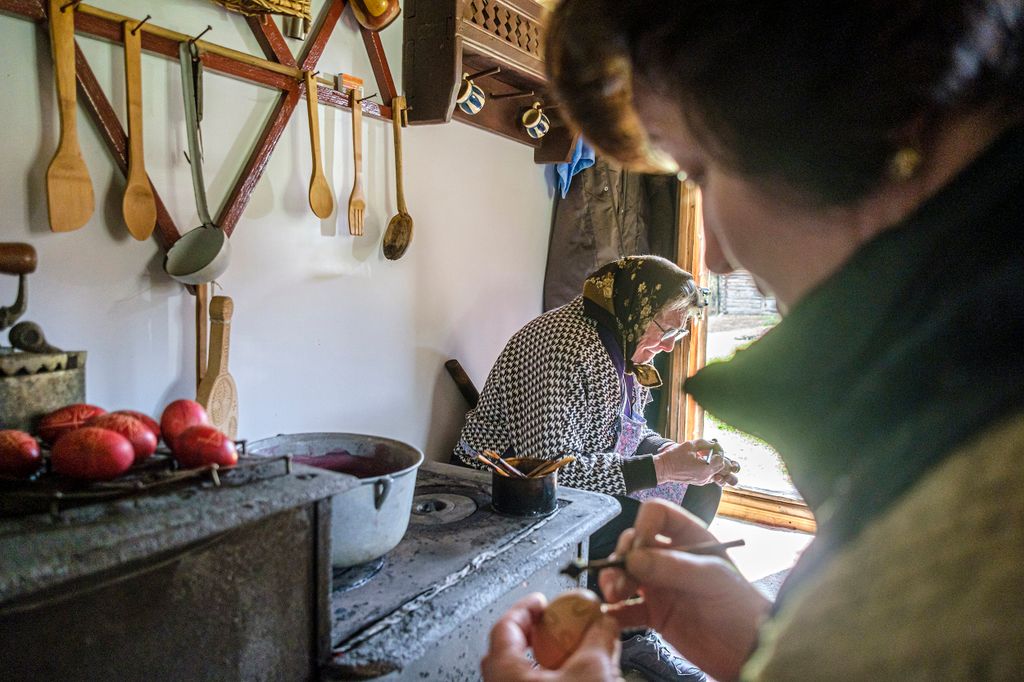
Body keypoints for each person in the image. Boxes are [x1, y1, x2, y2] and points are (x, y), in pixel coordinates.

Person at [482, 1, 1024, 680]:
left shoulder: (980, 502)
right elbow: (541, 468)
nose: (713, 253)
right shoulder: (566, 345)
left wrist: (669, 458)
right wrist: (764, 644)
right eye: (694, 175)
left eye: (703, 172)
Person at [455, 255, 739, 680]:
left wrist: (680, 458)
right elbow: (550, 472)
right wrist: (660, 469)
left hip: (578, 471)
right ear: (634, 308)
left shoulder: (619, 344)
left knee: (700, 491)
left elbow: (627, 433)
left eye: (681, 331)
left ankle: (627, 618)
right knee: (638, 526)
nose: (670, 344)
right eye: (667, 328)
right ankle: (617, 633)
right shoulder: (562, 347)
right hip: (504, 486)